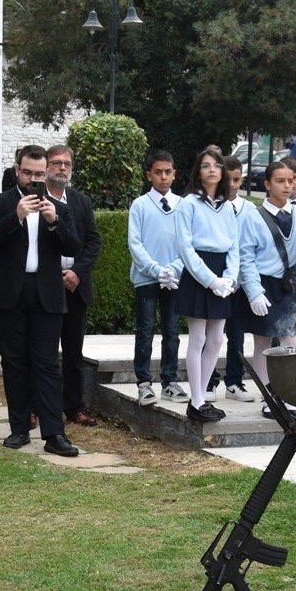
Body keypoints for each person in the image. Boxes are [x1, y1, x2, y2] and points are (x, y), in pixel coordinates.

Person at [0, 145, 82, 455]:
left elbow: (73, 245)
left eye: (40, 174)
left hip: (46, 293)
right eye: (28, 173)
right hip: (8, 293)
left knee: (48, 364)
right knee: (15, 363)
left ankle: (54, 435)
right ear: (17, 170)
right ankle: (19, 428)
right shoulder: (0, 203)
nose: (34, 179)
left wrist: (54, 222)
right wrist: (16, 217)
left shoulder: (59, 208)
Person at [173, 145, 239, 424]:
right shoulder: (188, 203)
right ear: (198, 173)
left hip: (222, 274)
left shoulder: (227, 207)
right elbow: (186, 249)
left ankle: (203, 397)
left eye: (216, 165)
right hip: (199, 274)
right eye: (205, 166)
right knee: (198, 338)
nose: (212, 170)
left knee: (216, 339)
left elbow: (235, 246)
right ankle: (196, 400)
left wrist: (230, 278)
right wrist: (210, 280)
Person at [237, 159, 296, 414]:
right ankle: (270, 397)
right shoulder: (253, 217)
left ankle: (288, 393)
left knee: (291, 340)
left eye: (291, 180)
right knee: (264, 343)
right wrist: (254, 292)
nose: (287, 186)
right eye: (280, 181)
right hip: (264, 284)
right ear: (267, 184)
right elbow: (245, 257)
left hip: (290, 283)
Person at [44, 143, 101, 427]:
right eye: (56, 162)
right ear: (46, 166)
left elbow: (93, 242)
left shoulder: (81, 202)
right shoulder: (37, 199)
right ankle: (41, 406)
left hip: (76, 286)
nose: (62, 167)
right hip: (46, 284)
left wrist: (77, 272)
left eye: (66, 163)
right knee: (44, 352)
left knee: (74, 352)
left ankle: (75, 407)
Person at [128, 149, 185, 405]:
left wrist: (173, 269)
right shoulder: (140, 205)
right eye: (158, 172)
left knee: (172, 331)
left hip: (174, 279)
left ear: (174, 174)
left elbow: (187, 243)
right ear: (149, 175)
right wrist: (155, 270)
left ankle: (170, 381)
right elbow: (135, 243)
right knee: (145, 330)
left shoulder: (183, 205)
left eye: (168, 172)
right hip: (146, 278)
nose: (163, 177)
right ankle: (143, 382)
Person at [218, 156, 254, 401]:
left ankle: (234, 381)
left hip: (240, 282)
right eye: (228, 179)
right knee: (212, 335)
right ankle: (208, 381)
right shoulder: (212, 206)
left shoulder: (250, 209)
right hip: (217, 281)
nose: (232, 185)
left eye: (237, 179)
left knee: (237, 335)